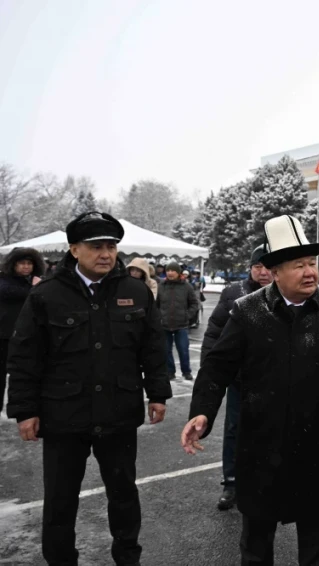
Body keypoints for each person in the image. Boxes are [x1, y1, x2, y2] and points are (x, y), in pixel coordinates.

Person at [182, 215, 319, 566]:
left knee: (316, 546)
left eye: (312, 263)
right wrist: (202, 412)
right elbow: (217, 366)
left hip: (316, 443)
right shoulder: (247, 311)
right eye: (299, 265)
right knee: (256, 545)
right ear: (275, 272)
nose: (310, 272)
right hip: (260, 446)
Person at [6, 211, 171, 566]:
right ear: (74, 249)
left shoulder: (135, 291)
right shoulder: (46, 295)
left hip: (118, 412)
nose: (106, 254)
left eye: (111, 246)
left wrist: (158, 394)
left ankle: (128, 557)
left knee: (123, 494)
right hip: (64, 415)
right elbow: (24, 356)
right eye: (96, 246)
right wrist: (24, 410)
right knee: (60, 500)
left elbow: (153, 348)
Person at [201, 243, 273, 511]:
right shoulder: (234, 293)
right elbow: (214, 332)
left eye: (268, 267)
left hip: (275, 381)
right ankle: (231, 483)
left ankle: (266, 482)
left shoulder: (288, 294)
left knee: (272, 431)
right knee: (234, 430)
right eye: (257, 267)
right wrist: (209, 371)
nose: (263, 272)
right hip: (240, 379)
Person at [0, 247, 45, 413]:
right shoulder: (4, 279)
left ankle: (24, 409)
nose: (26, 267)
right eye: (22, 263)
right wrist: (35, 288)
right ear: (13, 264)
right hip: (4, 335)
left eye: (29, 263)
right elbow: (9, 291)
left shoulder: (33, 281)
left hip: (25, 335)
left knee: (24, 374)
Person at [157, 262, 199, 381]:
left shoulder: (186, 286)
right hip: (165, 324)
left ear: (178, 272)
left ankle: (186, 371)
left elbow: (194, 303)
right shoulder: (161, 286)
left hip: (181, 325)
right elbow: (156, 304)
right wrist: (159, 316)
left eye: (173, 271)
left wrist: (187, 316)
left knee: (183, 350)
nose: (170, 273)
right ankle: (170, 372)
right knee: (166, 350)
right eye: (168, 270)